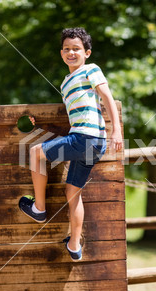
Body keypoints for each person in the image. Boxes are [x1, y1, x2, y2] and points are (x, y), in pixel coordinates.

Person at [18, 27, 123, 261]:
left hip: (88, 138)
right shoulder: (66, 83)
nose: (71, 53)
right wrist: (41, 122)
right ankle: (74, 245)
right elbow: (73, 116)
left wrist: (116, 130)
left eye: (76, 49)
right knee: (72, 192)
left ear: (87, 52)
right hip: (87, 141)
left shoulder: (90, 70)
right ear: (61, 52)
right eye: (67, 49)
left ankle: (39, 209)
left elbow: (106, 96)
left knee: (35, 152)